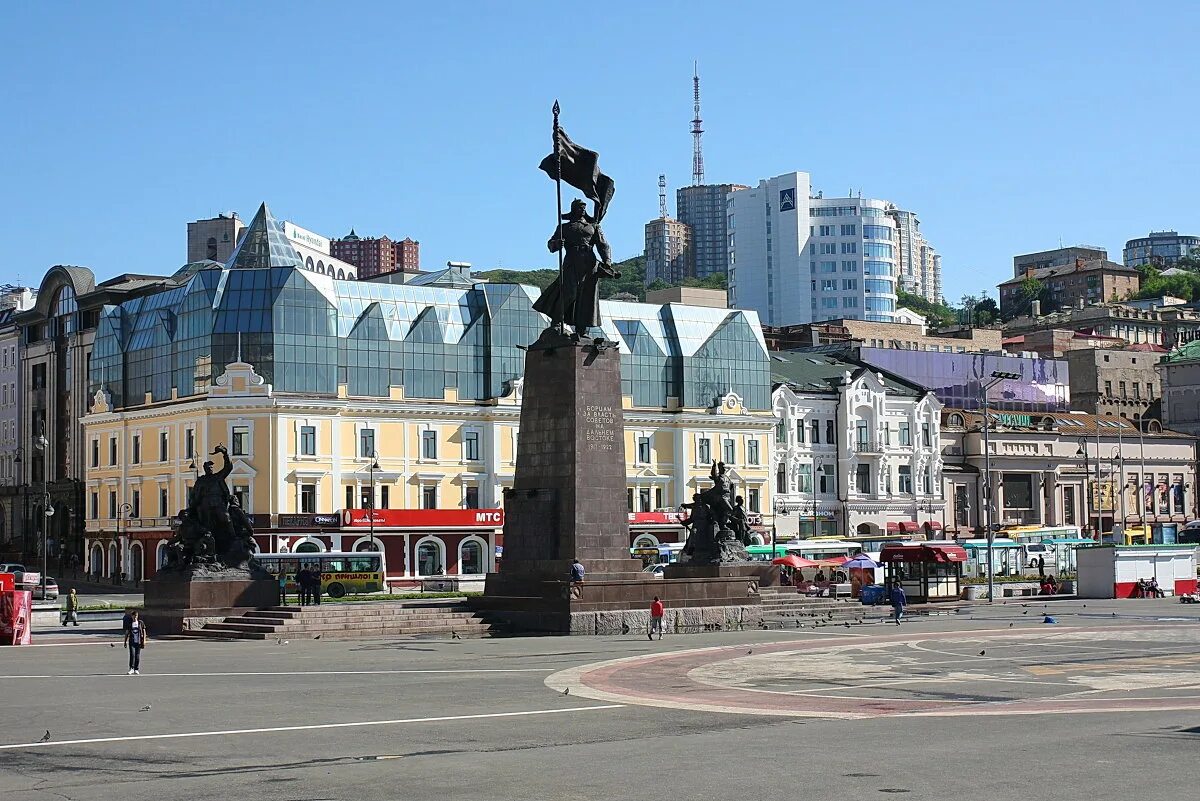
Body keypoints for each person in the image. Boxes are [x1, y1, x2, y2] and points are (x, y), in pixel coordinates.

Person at [532, 198, 619, 337]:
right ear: (573, 209)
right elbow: (551, 244)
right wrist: (556, 244)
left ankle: (581, 330)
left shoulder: (593, 226)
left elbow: (603, 245)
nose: (582, 209)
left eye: (584, 207)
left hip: (590, 263)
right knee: (569, 292)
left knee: (586, 296)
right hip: (572, 261)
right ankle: (557, 321)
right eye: (579, 207)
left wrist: (607, 261)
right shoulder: (564, 227)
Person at [123, 610, 148, 675]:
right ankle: (131, 668)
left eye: (136, 616)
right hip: (132, 641)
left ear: (137, 616)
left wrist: (144, 640)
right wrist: (125, 641)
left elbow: (144, 631)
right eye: (134, 616)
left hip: (139, 641)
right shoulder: (130, 623)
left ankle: (136, 669)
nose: (135, 617)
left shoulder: (140, 623)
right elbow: (127, 633)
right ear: (132, 616)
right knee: (132, 655)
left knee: (137, 656)